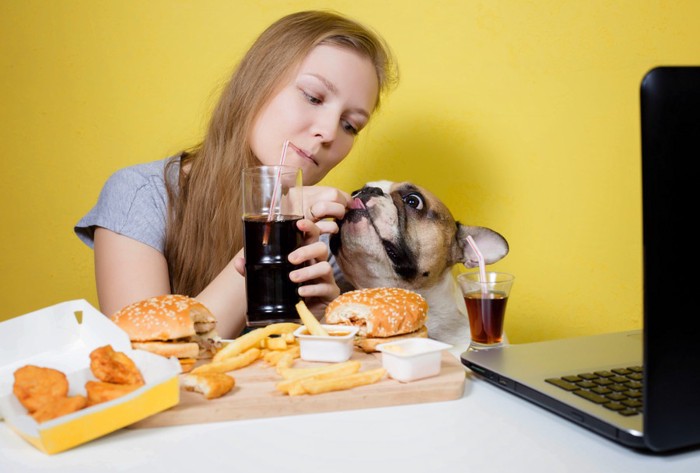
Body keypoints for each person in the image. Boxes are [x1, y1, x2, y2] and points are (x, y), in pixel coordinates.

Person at [74, 10, 398, 338]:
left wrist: (324, 324)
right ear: (256, 81)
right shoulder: (139, 195)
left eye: (350, 125)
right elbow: (151, 356)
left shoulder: (321, 233)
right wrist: (270, 236)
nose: (329, 132)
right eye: (313, 97)